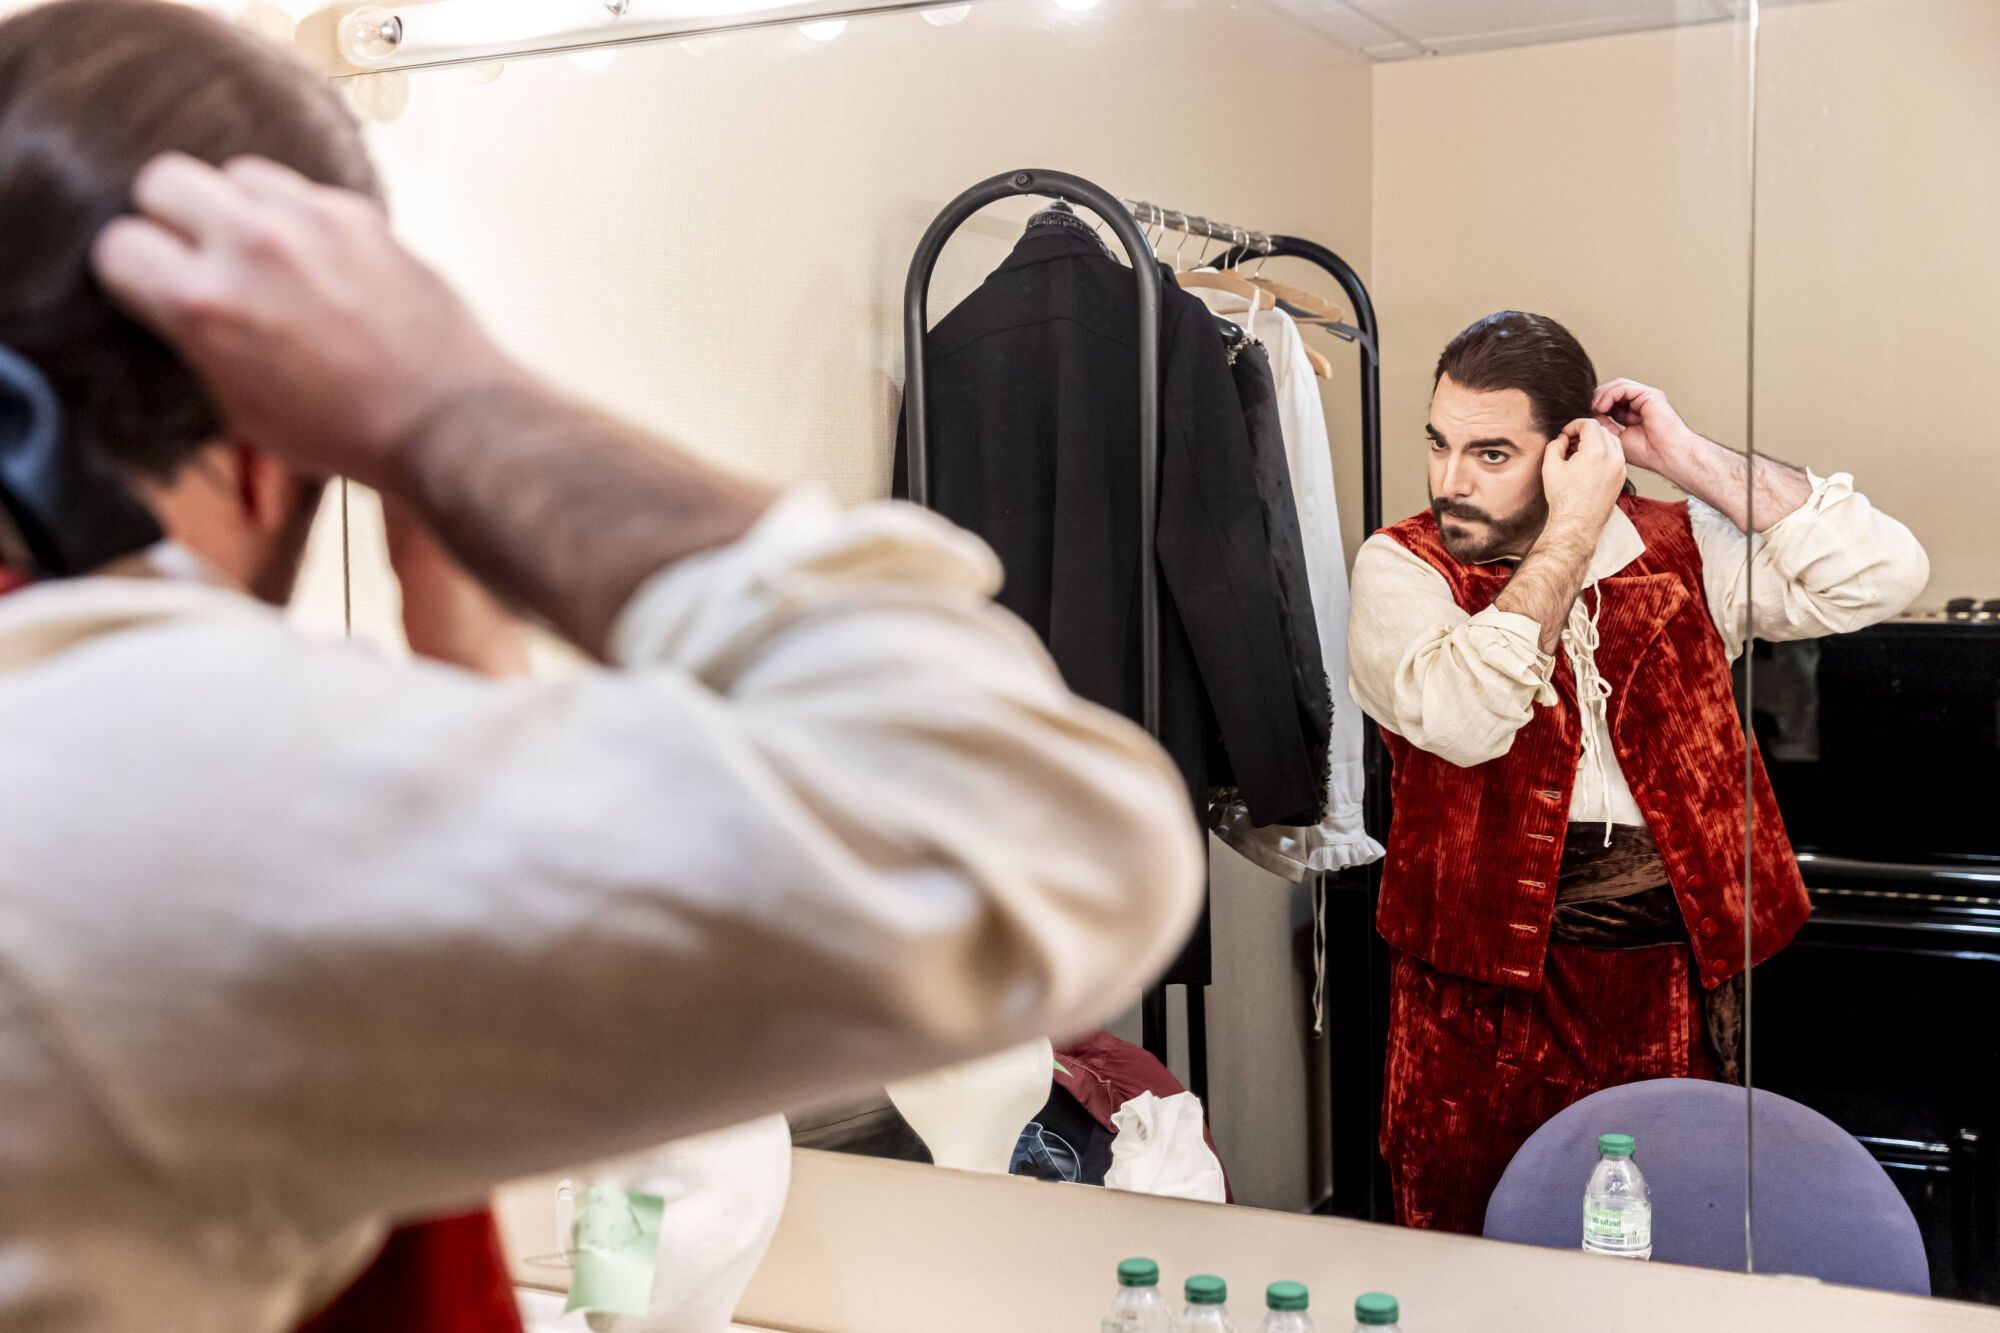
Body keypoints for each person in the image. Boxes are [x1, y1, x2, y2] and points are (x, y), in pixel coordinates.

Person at [0, 2, 1205, 1328]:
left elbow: (385, 1018)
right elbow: (1051, 837)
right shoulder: (156, 763)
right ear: (272, 407)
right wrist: (452, 401)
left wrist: (469, 678)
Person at [1348, 310, 1928, 1234]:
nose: (1449, 480)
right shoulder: (1398, 566)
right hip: (1481, 1008)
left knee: (1664, 1241)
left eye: (1490, 453)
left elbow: (1884, 571)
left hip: (1673, 988)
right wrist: (1568, 535)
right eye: (1439, 443)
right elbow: (1466, 718)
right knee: (1469, 1243)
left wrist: (1685, 455)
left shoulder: (1684, 545)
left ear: (1572, 448)